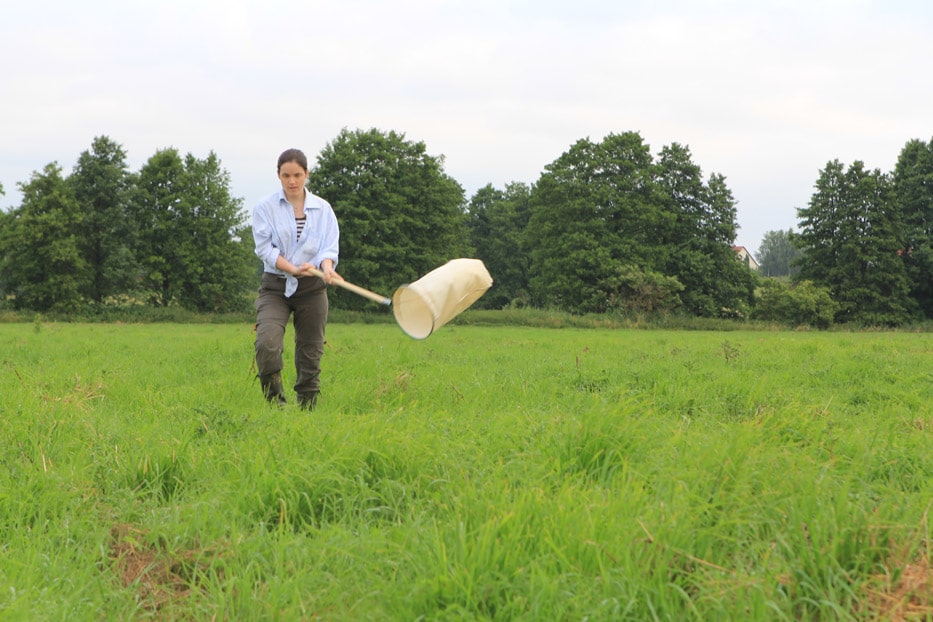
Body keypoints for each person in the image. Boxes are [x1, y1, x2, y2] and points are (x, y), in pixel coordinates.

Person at [252, 148, 340, 409]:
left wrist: (327, 266)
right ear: (278, 176)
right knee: (267, 344)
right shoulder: (264, 208)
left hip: (312, 288)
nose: (292, 181)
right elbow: (264, 249)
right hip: (275, 286)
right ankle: (275, 405)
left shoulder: (323, 209)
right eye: (286, 175)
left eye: (297, 175)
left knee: (310, 351)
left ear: (306, 175)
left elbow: (329, 246)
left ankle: (307, 408)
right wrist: (290, 267)